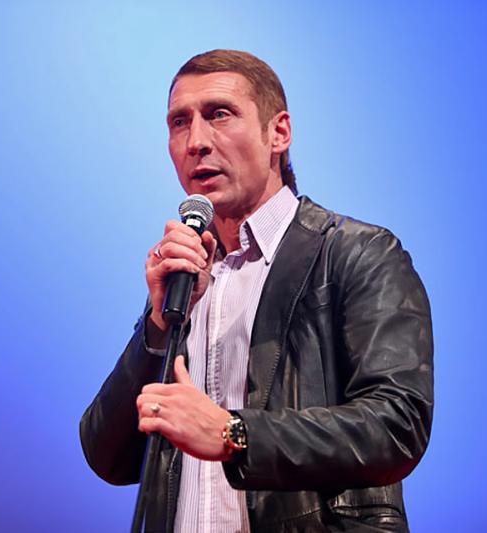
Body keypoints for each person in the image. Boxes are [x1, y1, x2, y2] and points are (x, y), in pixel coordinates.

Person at [80, 49, 433, 532]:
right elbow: (108, 456)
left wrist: (235, 434)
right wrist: (158, 325)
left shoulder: (358, 253)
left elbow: (397, 424)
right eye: (180, 122)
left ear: (278, 133)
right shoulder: (184, 282)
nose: (196, 141)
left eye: (219, 114)